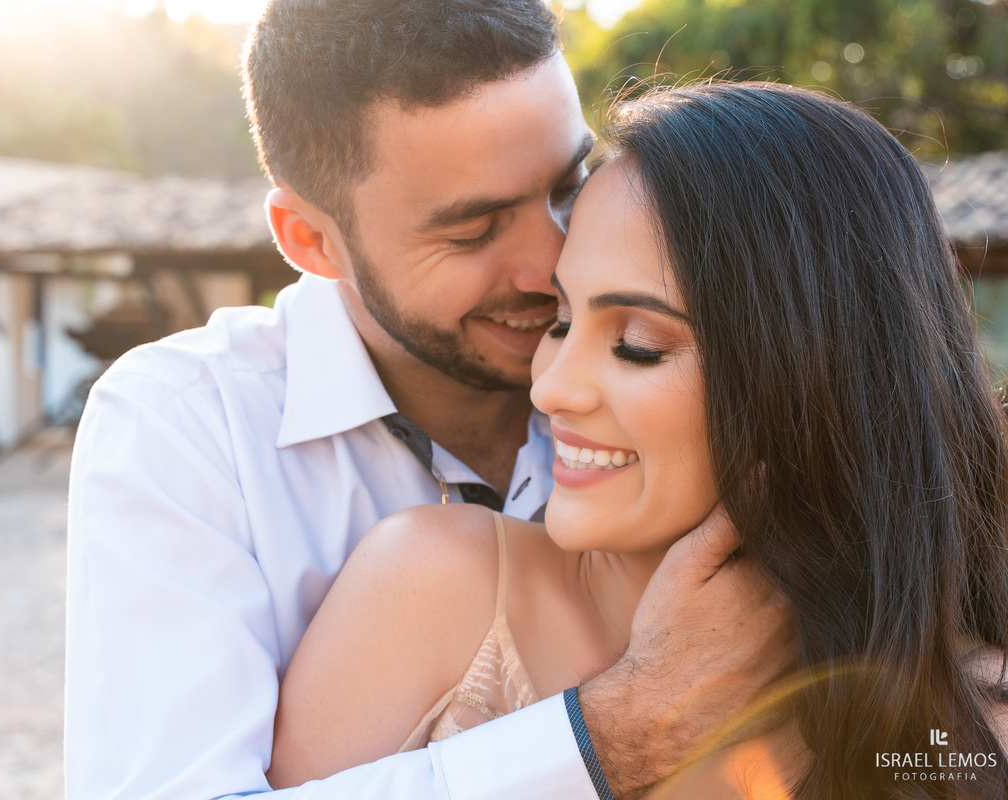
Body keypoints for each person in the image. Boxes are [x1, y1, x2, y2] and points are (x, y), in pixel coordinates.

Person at [64, 3, 789, 799]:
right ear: (311, 240)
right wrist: (616, 735)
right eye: (474, 232)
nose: (553, 264)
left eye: (566, 185)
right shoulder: (188, 427)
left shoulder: (698, 392)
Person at [266, 82, 1008, 798]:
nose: (550, 388)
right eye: (562, 321)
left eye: (637, 345)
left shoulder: (982, 727)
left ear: (814, 374)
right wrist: (624, 724)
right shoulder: (432, 585)